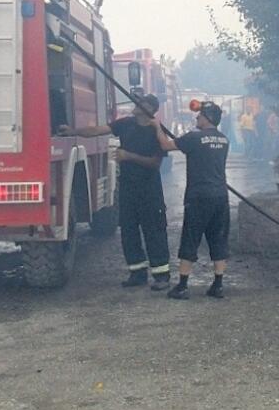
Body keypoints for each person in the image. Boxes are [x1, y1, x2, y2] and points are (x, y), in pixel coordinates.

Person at [59, 94, 171, 290]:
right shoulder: (125, 124)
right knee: (128, 229)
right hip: (128, 186)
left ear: (150, 109)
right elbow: (97, 130)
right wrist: (72, 131)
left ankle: (161, 275)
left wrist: (128, 156)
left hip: (149, 189)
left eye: (140, 102)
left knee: (153, 229)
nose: (135, 105)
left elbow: (155, 163)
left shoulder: (156, 132)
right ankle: (137, 272)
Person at [153, 101, 230, 300]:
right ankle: (218, 285)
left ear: (208, 118)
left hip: (199, 196)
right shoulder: (224, 139)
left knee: (190, 238)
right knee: (218, 239)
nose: (197, 118)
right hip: (220, 196)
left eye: (200, 115)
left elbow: (165, 145)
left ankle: (183, 286)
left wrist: (156, 127)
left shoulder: (194, 138)